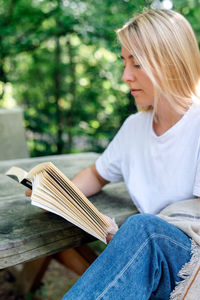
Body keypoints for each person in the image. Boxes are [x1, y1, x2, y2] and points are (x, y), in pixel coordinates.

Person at [27, 9, 200, 299]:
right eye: (123, 62)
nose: (125, 76)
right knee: (143, 233)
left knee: (145, 230)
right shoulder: (135, 127)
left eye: (137, 64)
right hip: (150, 260)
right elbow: (97, 174)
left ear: (171, 63)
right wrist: (56, 195)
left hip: (188, 263)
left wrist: (134, 237)